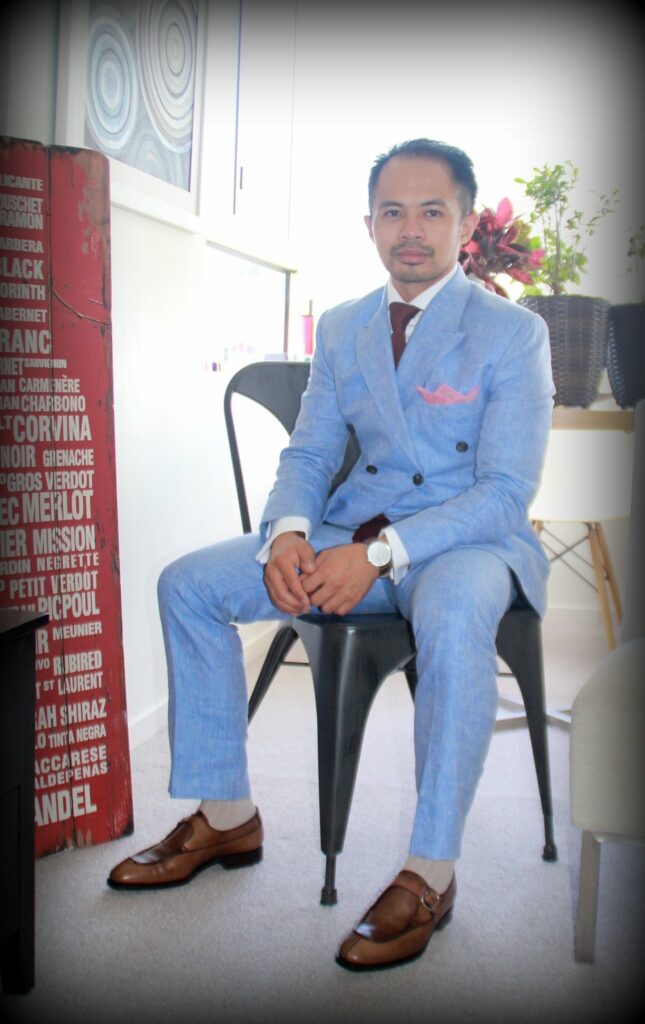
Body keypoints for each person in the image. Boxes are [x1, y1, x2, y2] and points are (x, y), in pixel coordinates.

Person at [108, 139, 554, 971]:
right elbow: (311, 452)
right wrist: (286, 532)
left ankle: (430, 870)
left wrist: (380, 554)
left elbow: (504, 491)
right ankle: (226, 814)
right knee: (189, 585)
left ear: (464, 225)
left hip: (461, 543)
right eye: (392, 212)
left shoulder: (512, 333)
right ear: (369, 224)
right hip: (348, 533)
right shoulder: (346, 326)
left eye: (431, 212)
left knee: (456, 607)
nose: (410, 229)